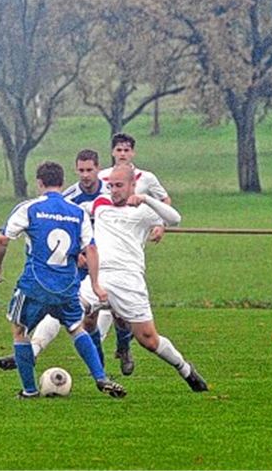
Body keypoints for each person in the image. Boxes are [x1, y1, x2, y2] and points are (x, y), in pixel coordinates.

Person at [0, 161, 126, 399]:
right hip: (66, 287)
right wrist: (95, 284)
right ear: (62, 183)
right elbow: (91, 249)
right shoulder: (78, 212)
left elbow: (3, 240)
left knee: (20, 332)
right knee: (76, 328)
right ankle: (100, 376)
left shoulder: (29, 208)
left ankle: (30, 390)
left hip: (35, 286)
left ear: (39, 183)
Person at [80, 164, 208, 392]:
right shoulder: (100, 204)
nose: (114, 190)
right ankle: (34, 352)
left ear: (132, 185)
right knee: (73, 312)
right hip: (100, 277)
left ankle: (185, 369)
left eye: (119, 185)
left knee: (148, 339)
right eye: (110, 186)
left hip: (130, 281)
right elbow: (78, 210)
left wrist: (147, 200)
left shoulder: (144, 209)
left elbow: (175, 218)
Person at [95, 133, 171, 374]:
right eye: (119, 150)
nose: (123, 154)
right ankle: (105, 359)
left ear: (133, 153)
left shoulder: (146, 178)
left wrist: (160, 224)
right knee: (104, 306)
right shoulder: (102, 177)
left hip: (131, 247)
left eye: (127, 150)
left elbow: (165, 200)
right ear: (113, 152)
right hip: (107, 244)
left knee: (120, 310)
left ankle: (123, 346)